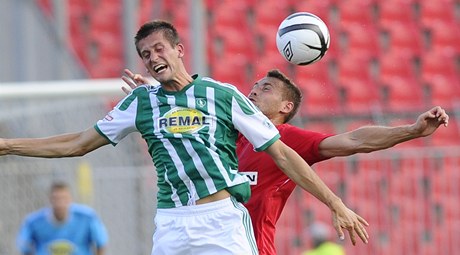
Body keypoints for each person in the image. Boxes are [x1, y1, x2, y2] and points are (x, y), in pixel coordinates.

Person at [0, 20, 369, 255]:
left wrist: (336, 203)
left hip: (221, 221)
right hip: (172, 222)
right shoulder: (140, 102)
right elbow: (78, 143)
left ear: (178, 51)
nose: (152, 57)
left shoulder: (222, 95)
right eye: (145, 54)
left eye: (159, 49)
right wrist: (8, 145)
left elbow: (284, 155)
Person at [121, 68, 449, 254]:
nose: (253, 91)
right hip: (198, 242)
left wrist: (413, 130)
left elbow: (353, 140)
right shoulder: (222, 130)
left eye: (265, 89)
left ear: (285, 107)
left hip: (250, 248)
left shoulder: (285, 139)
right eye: (253, 86)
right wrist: (154, 100)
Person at [16, 181, 108, 255]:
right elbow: (24, 246)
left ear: (70, 199)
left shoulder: (87, 217)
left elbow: (101, 243)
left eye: (64, 198)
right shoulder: (33, 222)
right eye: (56, 198)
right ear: (50, 200)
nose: (60, 203)